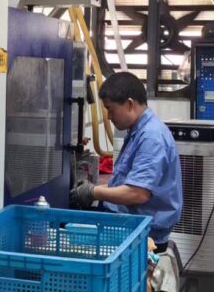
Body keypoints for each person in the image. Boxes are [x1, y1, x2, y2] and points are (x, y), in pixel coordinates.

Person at [70, 72, 182, 251]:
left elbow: (137, 193)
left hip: (143, 237)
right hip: (131, 227)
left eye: (110, 109)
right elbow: (126, 183)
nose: (108, 117)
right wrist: (95, 189)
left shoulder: (151, 137)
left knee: (70, 242)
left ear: (130, 104)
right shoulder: (138, 132)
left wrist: (93, 192)